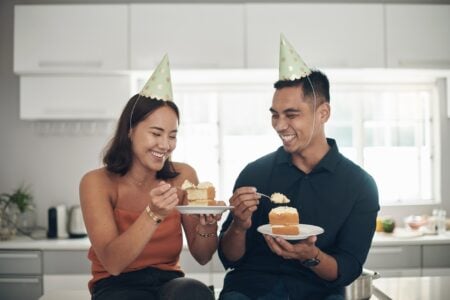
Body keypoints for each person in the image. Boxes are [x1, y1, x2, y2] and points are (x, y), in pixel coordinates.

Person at [218, 35, 380, 300]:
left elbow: (349, 268)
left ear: (323, 113)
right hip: (250, 291)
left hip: (318, 293)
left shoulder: (360, 185)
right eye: (275, 115)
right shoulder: (254, 174)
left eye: (291, 115)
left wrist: (312, 256)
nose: (280, 125)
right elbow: (229, 258)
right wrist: (238, 225)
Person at [79, 54, 219, 300]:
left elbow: (203, 255)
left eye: (172, 135)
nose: (165, 145)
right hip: (115, 285)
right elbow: (113, 263)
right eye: (156, 133)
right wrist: (153, 214)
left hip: (169, 282)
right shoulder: (96, 183)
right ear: (131, 131)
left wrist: (208, 227)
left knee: (194, 291)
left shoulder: (183, 176)